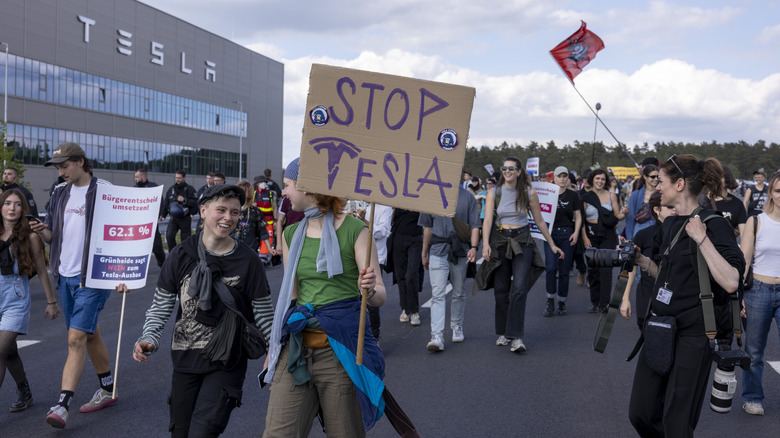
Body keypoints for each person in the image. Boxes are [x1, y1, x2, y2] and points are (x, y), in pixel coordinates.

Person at [134, 184, 274, 437]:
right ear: (203, 210)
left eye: (234, 212)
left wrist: (275, 352)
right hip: (185, 361)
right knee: (180, 432)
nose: (228, 218)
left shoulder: (249, 260)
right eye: (221, 210)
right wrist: (149, 338)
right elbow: (161, 305)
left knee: (203, 433)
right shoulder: (179, 255)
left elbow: (264, 314)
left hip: (227, 362)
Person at [262, 157, 387, 437]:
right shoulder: (291, 233)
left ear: (306, 187)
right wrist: (274, 350)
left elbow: (379, 296)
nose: (283, 192)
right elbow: (291, 298)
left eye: (287, 185)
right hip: (296, 348)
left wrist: (369, 287)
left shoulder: (356, 230)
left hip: (342, 351)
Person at [627, 154, 744, 437]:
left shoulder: (713, 224)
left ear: (680, 184)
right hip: (660, 328)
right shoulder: (668, 225)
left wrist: (702, 238)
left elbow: (731, 282)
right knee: (640, 413)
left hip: (694, 335)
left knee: (677, 423)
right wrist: (642, 261)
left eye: (661, 182)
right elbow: (666, 276)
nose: (657, 188)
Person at [31, 142, 120, 429]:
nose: (60, 171)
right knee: (89, 334)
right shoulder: (59, 192)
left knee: (75, 339)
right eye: (57, 166)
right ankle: (107, 389)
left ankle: (62, 405)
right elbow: (52, 236)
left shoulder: (105, 190)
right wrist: (39, 229)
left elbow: (121, 232)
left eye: (64, 165)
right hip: (64, 274)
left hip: (92, 276)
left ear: (81, 161)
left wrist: (122, 274)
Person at [479, 157, 563, 352]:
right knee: (500, 289)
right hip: (500, 241)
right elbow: (488, 220)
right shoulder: (494, 193)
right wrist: (485, 245)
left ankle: (516, 336)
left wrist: (552, 245)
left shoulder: (528, 192)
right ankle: (502, 332)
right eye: (505, 168)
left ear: (519, 171)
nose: (507, 171)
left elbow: (540, 221)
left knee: (519, 289)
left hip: (523, 241)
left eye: (512, 168)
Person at [0, 189, 59, 413]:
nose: (12, 208)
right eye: (7, 203)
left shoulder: (31, 237)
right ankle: (25, 391)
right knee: (9, 351)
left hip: (15, 299)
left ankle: (24, 391)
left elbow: (43, 271)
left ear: (23, 209)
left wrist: (51, 301)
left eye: (17, 204)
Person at [419, 187, 480, 352]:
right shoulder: (431, 196)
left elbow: (475, 225)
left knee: (459, 291)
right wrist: (424, 253)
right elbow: (427, 228)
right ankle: (436, 335)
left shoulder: (467, 197)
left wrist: (474, 247)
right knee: (437, 294)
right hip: (438, 250)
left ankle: (457, 325)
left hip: (460, 250)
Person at [740, 170, 780, 416]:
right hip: (758, 291)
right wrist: (739, 296)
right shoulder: (757, 221)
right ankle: (752, 397)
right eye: (778, 190)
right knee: (754, 350)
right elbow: (744, 261)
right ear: (770, 193)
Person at [620, 191, 676, 330]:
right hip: (647, 291)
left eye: (676, 206)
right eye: (669, 207)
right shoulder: (643, 235)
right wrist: (625, 298)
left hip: (674, 294)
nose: (675, 209)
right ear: (656, 209)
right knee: (645, 328)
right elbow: (631, 269)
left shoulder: (684, 234)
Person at [581, 168, 628, 313]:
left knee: (606, 270)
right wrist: (584, 238)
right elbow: (581, 220)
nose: (600, 181)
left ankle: (605, 303)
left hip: (608, 235)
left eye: (602, 179)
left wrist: (625, 213)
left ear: (605, 181)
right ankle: (595, 302)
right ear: (592, 180)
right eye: (597, 179)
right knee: (593, 270)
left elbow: (616, 216)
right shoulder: (585, 197)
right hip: (591, 234)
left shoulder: (611, 195)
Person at [543, 166, 582, 317]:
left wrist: (576, 232)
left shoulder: (573, 196)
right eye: (559, 176)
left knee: (564, 271)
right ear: (554, 178)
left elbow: (578, 216)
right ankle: (550, 301)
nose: (562, 179)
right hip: (551, 235)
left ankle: (562, 302)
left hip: (567, 234)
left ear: (568, 179)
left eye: (565, 176)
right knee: (551, 268)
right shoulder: (547, 194)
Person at [365, 204, 393, 340]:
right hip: (354, 257)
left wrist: (365, 223)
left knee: (372, 296)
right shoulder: (355, 203)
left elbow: (383, 232)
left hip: (376, 257)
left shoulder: (384, 208)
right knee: (355, 299)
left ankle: (374, 337)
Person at [392, 208, 423, 326]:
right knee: (400, 275)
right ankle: (405, 308)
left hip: (415, 237)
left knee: (412, 274)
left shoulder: (419, 195)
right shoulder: (397, 196)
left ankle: (414, 310)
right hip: (398, 236)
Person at [134, 168, 166, 267]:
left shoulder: (153, 187)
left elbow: (161, 202)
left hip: (151, 223)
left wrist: (161, 214)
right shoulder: (134, 189)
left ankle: (163, 264)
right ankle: (138, 267)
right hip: (138, 223)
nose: (135, 179)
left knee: (157, 246)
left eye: (137, 177)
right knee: (138, 247)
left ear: (143, 177)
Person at [232, 180, 273, 256]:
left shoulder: (255, 211)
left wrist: (269, 248)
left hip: (250, 251)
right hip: (232, 250)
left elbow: (263, 230)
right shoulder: (231, 210)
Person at [162, 170, 198, 252]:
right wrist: (162, 215)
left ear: (184, 178)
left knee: (185, 239)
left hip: (185, 218)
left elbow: (195, 202)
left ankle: (185, 255)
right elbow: (166, 202)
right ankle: (174, 253)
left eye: (179, 178)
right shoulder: (171, 189)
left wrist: (184, 200)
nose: (177, 179)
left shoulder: (190, 189)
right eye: (176, 178)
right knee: (169, 236)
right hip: (173, 218)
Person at [625, 164, 659, 240]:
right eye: (653, 177)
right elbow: (630, 217)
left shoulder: (662, 194)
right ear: (645, 177)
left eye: (658, 177)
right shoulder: (635, 195)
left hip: (657, 231)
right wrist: (629, 238)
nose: (656, 179)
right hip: (639, 230)